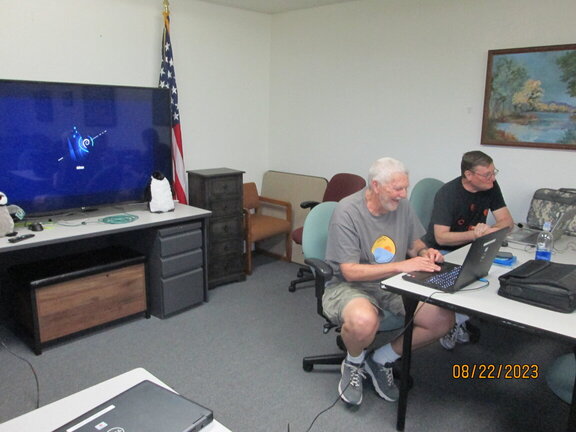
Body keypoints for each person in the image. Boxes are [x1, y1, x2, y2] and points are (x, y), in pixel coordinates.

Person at [323, 157, 454, 406]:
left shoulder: (401, 206)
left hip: (393, 282)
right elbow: (349, 272)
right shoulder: (347, 211)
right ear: (376, 185)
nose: (403, 194)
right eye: (397, 188)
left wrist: (425, 252)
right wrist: (401, 265)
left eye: (405, 187)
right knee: (364, 321)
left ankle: (380, 359)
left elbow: (414, 243)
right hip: (349, 286)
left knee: (442, 320)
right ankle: (353, 362)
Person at [422, 150, 514, 350]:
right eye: (487, 174)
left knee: (502, 275)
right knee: (474, 281)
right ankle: (455, 320)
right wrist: (475, 235)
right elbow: (441, 237)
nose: (492, 178)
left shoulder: (490, 186)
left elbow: (507, 222)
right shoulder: (448, 193)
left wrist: (488, 231)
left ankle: (458, 319)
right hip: (440, 251)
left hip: (472, 248)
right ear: (469, 175)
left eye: (494, 172)